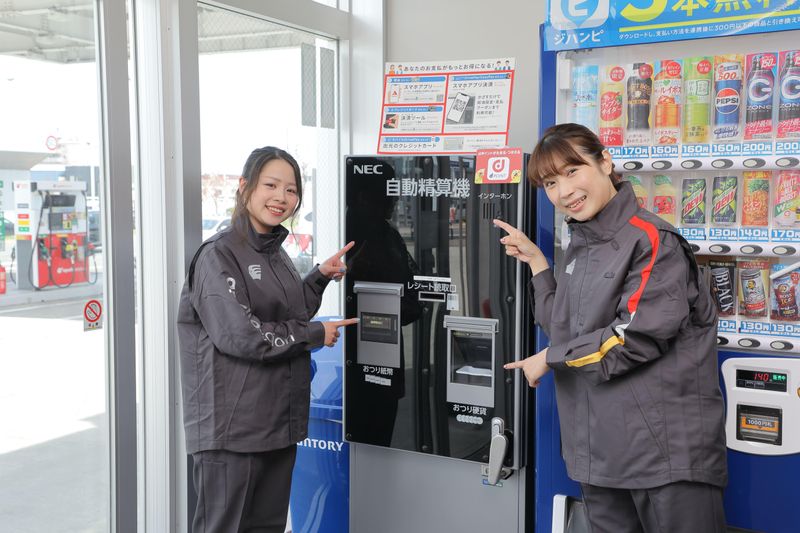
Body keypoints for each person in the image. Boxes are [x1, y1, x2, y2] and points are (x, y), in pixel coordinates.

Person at [495, 123, 727, 533]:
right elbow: (565, 330)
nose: (564, 191)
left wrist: (550, 358)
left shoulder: (653, 240)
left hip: (664, 457)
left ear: (604, 162)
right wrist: (537, 264)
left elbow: (632, 338)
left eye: (572, 171)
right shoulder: (581, 245)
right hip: (599, 453)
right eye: (550, 183)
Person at [177, 146, 357, 533]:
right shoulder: (218, 255)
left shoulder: (276, 253)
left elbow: (288, 314)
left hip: (276, 424)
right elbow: (242, 336)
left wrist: (319, 277)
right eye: (271, 185)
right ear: (245, 187)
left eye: (291, 190)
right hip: (232, 432)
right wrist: (314, 334)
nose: (281, 197)